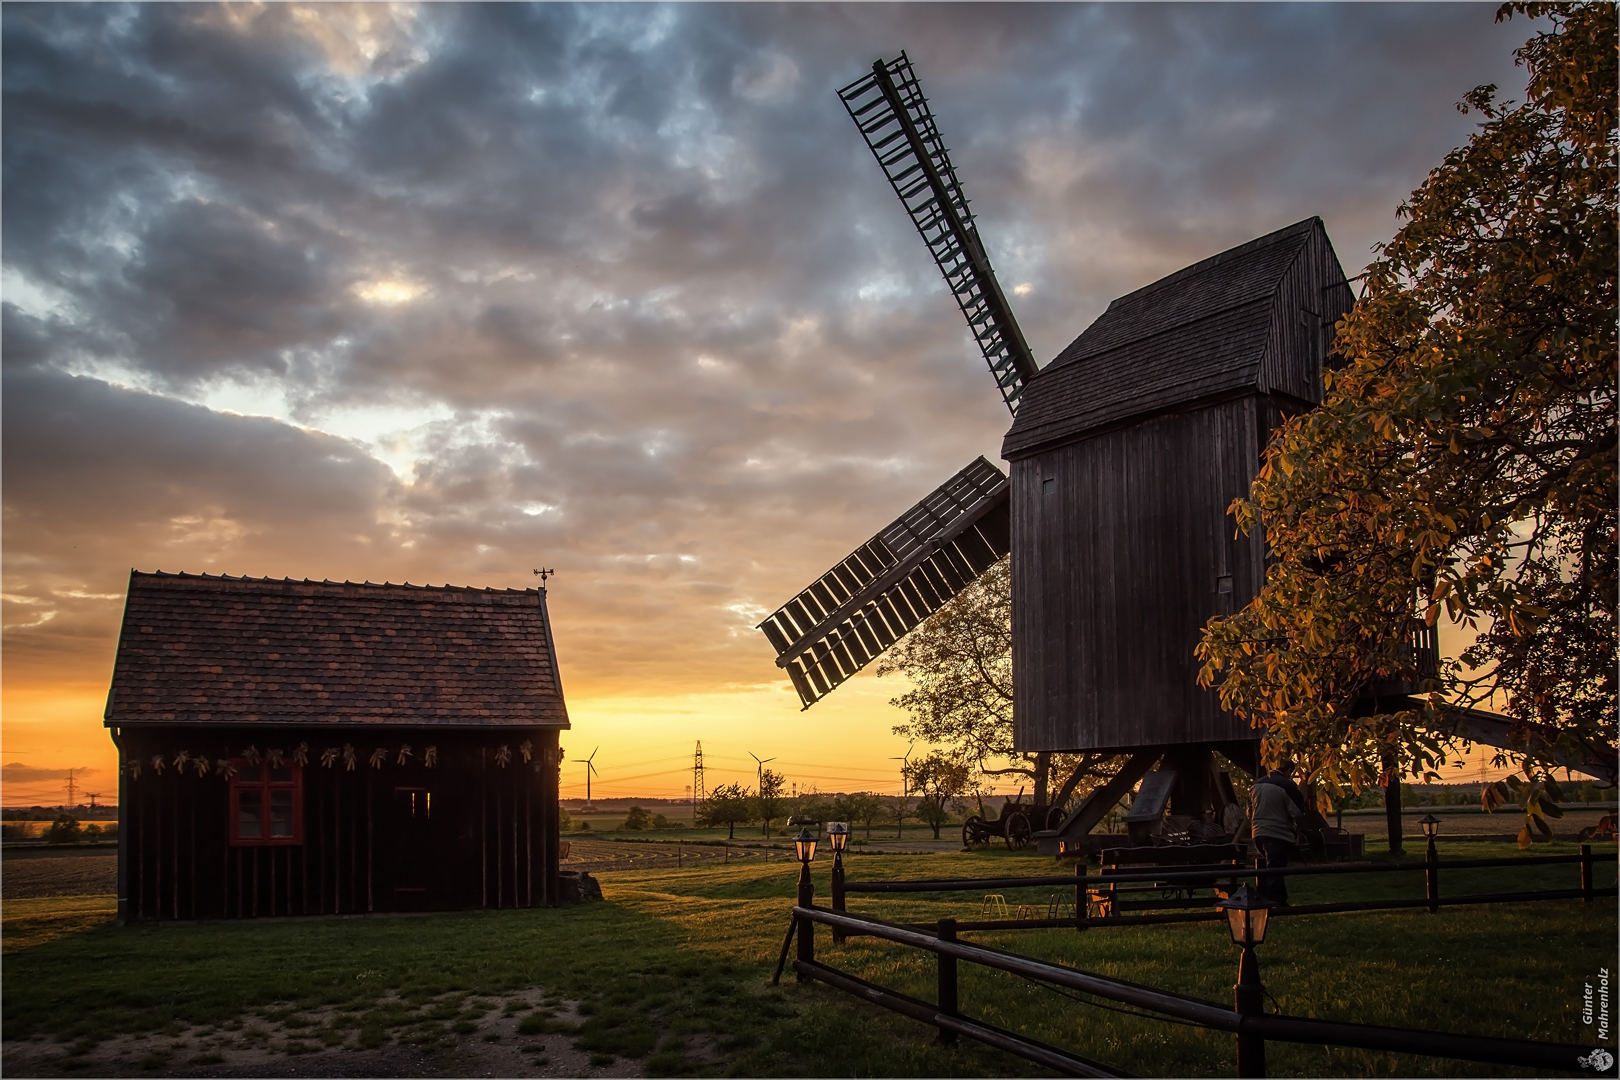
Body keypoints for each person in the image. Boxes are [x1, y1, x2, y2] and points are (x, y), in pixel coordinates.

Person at [1250, 760, 1305, 905]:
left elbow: (1249, 810)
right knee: (1276, 870)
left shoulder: (1256, 785)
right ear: (1288, 770)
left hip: (1257, 832)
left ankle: (1264, 899)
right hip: (1277, 833)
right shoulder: (1285, 786)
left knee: (1267, 869)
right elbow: (1296, 812)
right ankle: (1277, 903)